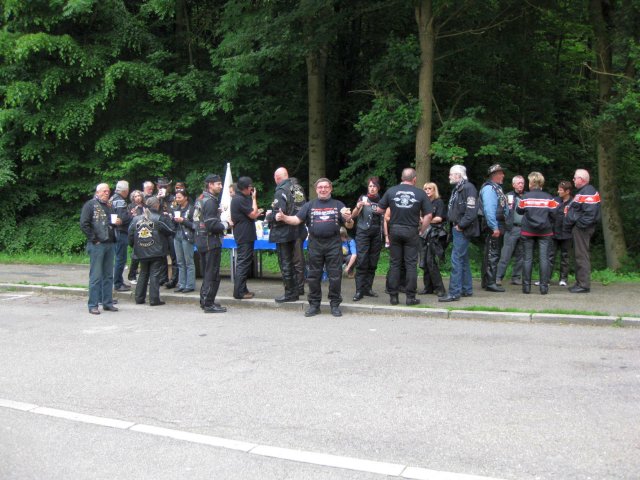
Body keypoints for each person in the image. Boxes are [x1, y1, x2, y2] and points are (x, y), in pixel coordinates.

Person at [276, 178, 354, 317]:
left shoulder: (338, 205)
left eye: (326, 187)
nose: (323, 189)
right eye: (320, 187)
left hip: (333, 244)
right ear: (316, 189)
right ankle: (314, 305)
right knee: (313, 276)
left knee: (335, 276)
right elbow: (296, 220)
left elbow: (349, 225)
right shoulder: (309, 205)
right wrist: (284, 217)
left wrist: (348, 219)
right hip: (315, 244)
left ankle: (335, 305)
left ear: (330, 189)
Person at [377, 168, 432, 306]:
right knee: (411, 265)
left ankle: (393, 297)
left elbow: (379, 209)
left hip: (394, 230)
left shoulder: (391, 191)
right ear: (414, 179)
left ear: (402, 178)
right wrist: (422, 230)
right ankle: (410, 298)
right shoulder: (420, 193)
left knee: (395, 264)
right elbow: (429, 215)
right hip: (411, 231)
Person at [439, 165, 480, 302]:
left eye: (451, 174)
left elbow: (471, 211)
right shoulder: (458, 188)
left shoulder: (468, 188)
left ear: (458, 175)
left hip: (462, 229)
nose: (449, 176)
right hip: (457, 228)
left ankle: (454, 292)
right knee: (463, 259)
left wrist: (461, 226)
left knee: (456, 259)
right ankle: (466, 289)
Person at [79, 183, 119, 315]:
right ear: (97, 192)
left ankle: (107, 303)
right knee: (95, 277)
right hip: (97, 244)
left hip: (110, 243)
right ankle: (93, 305)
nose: (107, 193)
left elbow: (110, 223)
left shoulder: (109, 205)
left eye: (108, 191)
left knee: (108, 276)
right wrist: (94, 239)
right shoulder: (90, 205)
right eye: (104, 191)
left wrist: (116, 222)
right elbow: (84, 224)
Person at [128, 196, 176, 306]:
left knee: (143, 273)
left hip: (141, 250)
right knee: (154, 274)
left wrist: (135, 246)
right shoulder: (159, 218)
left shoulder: (136, 219)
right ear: (157, 205)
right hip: (156, 251)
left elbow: (130, 234)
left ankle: (139, 298)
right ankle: (154, 299)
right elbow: (171, 230)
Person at [516, 172, 558, 294]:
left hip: (527, 230)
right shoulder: (549, 197)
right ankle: (544, 288)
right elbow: (554, 213)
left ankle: (526, 287)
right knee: (544, 259)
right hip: (545, 231)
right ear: (541, 183)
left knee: (527, 259)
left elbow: (519, 211)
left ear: (531, 183)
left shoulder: (525, 197)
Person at [193, 174, 228, 313]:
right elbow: (212, 225)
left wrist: (216, 213)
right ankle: (208, 304)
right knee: (212, 273)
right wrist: (226, 224)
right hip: (210, 241)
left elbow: (197, 218)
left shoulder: (201, 198)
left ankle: (205, 301)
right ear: (210, 185)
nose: (220, 186)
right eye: (218, 184)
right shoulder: (210, 201)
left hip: (200, 239)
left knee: (208, 272)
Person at [265, 167, 299, 303]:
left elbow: (279, 213)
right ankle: (296, 290)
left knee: (285, 263)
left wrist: (269, 216)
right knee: (294, 261)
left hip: (283, 231)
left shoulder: (280, 191)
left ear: (277, 178)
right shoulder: (297, 188)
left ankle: (290, 293)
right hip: (296, 228)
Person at [565, 169, 601, 293]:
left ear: (581, 179)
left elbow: (590, 215)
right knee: (579, 255)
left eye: (575, 178)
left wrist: (579, 225)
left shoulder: (588, 192)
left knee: (581, 256)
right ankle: (580, 282)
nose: (573, 180)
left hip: (583, 229)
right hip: (581, 228)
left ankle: (583, 285)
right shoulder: (584, 191)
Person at [351, 176, 383, 301]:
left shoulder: (382, 200)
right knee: (362, 260)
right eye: (370, 186)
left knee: (373, 261)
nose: (372, 188)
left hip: (377, 233)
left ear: (378, 187)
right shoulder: (363, 198)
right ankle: (359, 290)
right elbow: (353, 216)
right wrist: (358, 206)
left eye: (374, 186)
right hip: (363, 232)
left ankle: (368, 288)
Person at [479, 164, 508, 292]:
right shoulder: (489, 189)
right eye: (501, 173)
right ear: (494, 175)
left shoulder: (496, 188)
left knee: (491, 252)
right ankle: (490, 282)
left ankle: (487, 281)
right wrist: (494, 227)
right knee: (493, 253)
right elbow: (489, 209)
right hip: (493, 224)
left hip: (497, 223)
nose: (503, 175)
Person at [230, 176, 260, 299]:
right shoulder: (239, 199)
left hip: (244, 233)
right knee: (243, 263)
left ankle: (243, 289)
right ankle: (239, 292)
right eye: (250, 187)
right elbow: (253, 214)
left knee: (245, 262)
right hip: (244, 234)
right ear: (246, 188)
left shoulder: (240, 198)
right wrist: (254, 198)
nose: (251, 189)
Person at [496, 175, 526, 286]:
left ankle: (516, 277)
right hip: (512, 228)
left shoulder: (527, 196)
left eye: (522, 183)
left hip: (524, 229)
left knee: (521, 255)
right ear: (513, 185)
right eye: (518, 183)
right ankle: (498, 277)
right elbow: (500, 212)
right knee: (505, 254)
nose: (521, 185)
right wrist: (505, 225)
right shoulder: (507, 196)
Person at [419, 182, 447, 297]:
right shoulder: (423, 203)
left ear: (434, 190)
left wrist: (425, 220)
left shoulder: (438, 202)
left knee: (431, 261)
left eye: (429, 188)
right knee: (425, 261)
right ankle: (428, 287)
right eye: (425, 189)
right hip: (424, 233)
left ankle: (440, 288)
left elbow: (439, 218)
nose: (427, 190)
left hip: (435, 234)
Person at [171, 188, 196, 294]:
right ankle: (181, 284)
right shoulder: (176, 208)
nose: (177, 199)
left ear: (186, 197)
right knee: (180, 261)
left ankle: (190, 285)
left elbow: (195, 225)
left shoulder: (192, 209)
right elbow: (173, 224)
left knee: (189, 261)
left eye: (179, 197)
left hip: (187, 236)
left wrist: (183, 221)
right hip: (177, 236)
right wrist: (173, 219)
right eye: (176, 197)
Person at [156, 177, 179, 289]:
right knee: (161, 255)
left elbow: (176, 212)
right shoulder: (156, 199)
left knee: (174, 256)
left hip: (171, 230)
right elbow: (151, 211)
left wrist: (169, 212)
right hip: (160, 231)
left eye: (165, 186)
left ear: (169, 187)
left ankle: (174, 280)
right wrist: (158, 199)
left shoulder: (173, 199)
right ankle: (163, 278)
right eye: (161, 186)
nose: (163, 188)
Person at [549, 180, 573, 286]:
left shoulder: (573, 202)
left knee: (565, 256)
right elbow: (549, 214)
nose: (558, 191)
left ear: (567, 191)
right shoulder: (554, 200)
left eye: (561, 190)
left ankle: (563, 279)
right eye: (558, 189)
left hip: (567, 234)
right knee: (550, 256)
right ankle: (546, 279)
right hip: (553, 233)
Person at [110, 180, 132, 292]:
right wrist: (131, 215)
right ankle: (118, 283)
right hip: (120, 232)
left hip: (114, 232)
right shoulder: (120, 201)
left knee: (118, 258)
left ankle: (119, 281)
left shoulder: (112, 198)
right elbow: (122, 218)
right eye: (127, 190)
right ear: (125, 191)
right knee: (121, 259)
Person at [290, 177, 308, 296]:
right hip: (295, 229)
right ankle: (296, 285)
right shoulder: (294, 190)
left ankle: (300, 287)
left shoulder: (296, 189)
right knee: (296, 259)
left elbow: (300, 209)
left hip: (297, 229)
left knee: (298, 259)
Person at [126, 190, 145, 284]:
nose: (137, 198)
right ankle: (132, 276)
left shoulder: (145, 206)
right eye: (135, 196)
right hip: (135, 233)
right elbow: (128, 220)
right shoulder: (131, 206)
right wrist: (132, 215)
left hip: (145, 232)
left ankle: (143, 276)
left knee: (145, 255)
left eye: (139, 196)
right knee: (135, 256)